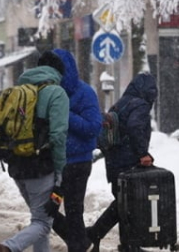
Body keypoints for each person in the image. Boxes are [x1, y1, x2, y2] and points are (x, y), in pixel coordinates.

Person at [0, 65, 69, 252]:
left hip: (17, 166)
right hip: (40, 167)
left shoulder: (18, 92)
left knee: (39, 221)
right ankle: (7, 247)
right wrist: (61, 173)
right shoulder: (56, 93)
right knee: (42, 223)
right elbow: (58, 136)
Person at [86, 73, 157, 252]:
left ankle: (124, 243)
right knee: (128, 204)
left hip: (113, 161)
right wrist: (143, 153)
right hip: (127, 162)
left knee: (124, 205)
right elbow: (134, 127)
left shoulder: (121, 103)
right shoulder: (140, 104)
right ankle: (102, 235)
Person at [41, 50, 102, 252]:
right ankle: (80, 241)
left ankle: (77, 245)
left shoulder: (84, 93)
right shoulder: (47, 92)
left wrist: (63, 114)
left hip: (77, 164)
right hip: (54, 163)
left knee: (74, 209)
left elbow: (93, 127)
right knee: (46, 207)